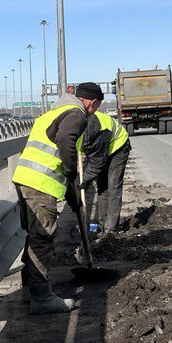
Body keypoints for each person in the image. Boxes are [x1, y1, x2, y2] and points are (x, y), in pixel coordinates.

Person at [11, 81, 105, 314]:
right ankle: (42, 299)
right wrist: (71, 169)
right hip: (40, 185)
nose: (95, 111)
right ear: (93, 102)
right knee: (43, 237)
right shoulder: (76, 115)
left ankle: (29, 289)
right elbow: (65, 140)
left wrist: (72, 196)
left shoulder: (52, 113)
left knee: (35, 236)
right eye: (97, 107)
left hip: (26, 179)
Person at [80, 105, 131, 236]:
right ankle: (102, 224)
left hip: (118, 146)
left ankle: (111, 228)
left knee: (113, 186)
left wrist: (84, 182)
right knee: (102, 187)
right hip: (101, 149)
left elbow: (96, 164)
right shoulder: (75, 127)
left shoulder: (96, 130)